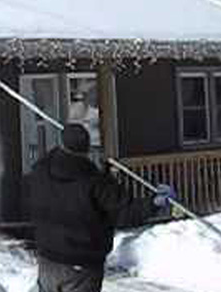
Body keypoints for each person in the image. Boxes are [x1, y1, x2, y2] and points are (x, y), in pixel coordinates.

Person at [25, 123, 174, 292]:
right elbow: (126, 213)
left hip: (48, 261)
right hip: (81, 266)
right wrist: (154, 203)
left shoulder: (41, 172)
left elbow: (48, 158)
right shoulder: (96, 183)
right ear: (87, 150)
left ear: (61, 144)